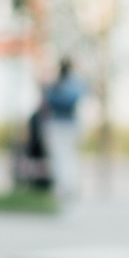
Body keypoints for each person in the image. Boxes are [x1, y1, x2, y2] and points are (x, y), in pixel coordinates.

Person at [40, 59, 83, 200]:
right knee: (66, 157)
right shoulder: (74, 84)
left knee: (62, 157)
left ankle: (66, 186)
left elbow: (50, 98)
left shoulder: (60, 85)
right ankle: (68, 186)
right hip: (68, 124)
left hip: (60, 124)